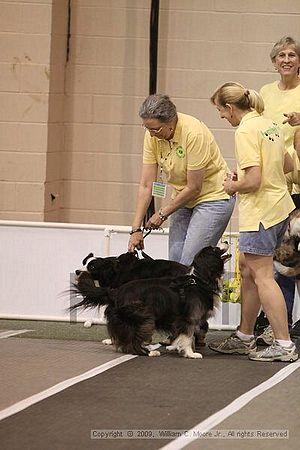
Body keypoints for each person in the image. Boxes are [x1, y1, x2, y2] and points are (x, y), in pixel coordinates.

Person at [208, 82, 298, 362]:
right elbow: (286, 165)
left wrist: (231, 185)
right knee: (248, 268)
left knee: (263, 277)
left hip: (260, 212)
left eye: (221, 111)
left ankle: (283, 345)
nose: (223, 116)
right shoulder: (269, 124)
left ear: (231, 108)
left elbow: (254, 180)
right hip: (280, 206)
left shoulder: (245, 130)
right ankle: (245, 336)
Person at [128, 94, 235, 266]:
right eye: (147, 128)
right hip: (181, 198)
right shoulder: (152, 135)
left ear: (171, 122)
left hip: (212, 197)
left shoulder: (193, 133)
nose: (151, 134)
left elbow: (194, 187)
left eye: (155, 129)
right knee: (175, 264)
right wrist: (135, 229)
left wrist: (162, 214)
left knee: (189, 264)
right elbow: (146, 184)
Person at [257, 36, 300, 343]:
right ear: (274, 62)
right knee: (280, 257)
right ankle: (280, 322)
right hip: (274, 183)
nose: (286, 59)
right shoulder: (266, 93)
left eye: (292, 55)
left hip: (298, 177)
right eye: (281, 55)